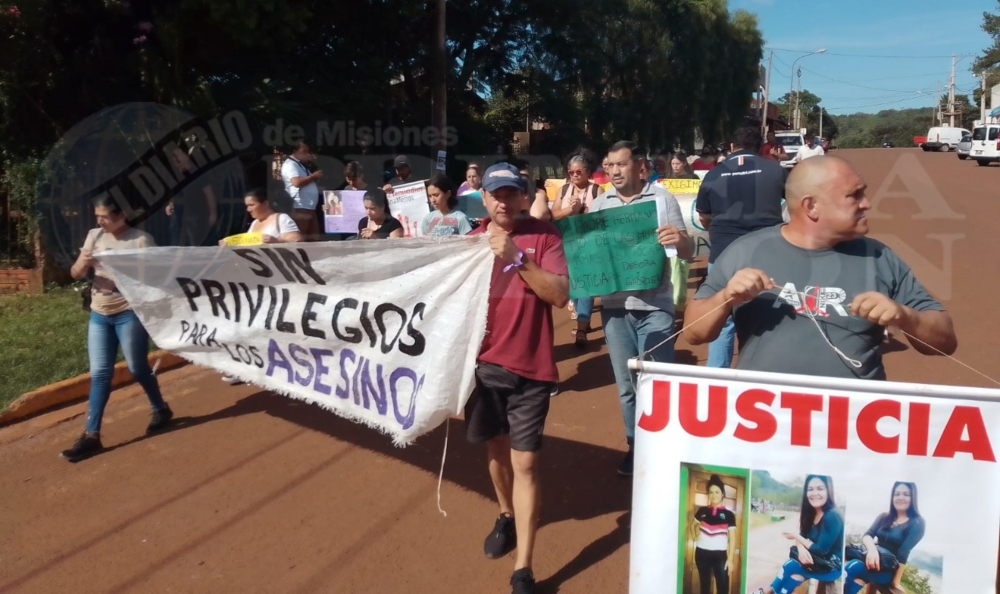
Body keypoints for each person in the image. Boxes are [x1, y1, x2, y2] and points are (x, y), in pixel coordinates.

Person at [685, 156, 957, 380]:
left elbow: (945, 343)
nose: (867, 203)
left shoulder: (880, 256)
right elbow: (694, 333)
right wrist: (725, 298)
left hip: (855, 427)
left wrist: (904, 315)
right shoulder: (744, 251)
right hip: (765, 426)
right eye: (855, 195)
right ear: (812, 206)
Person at [465, 162, 569, 594]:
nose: (504, 201)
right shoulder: (468, 244)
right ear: (484, 199)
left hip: (532, 368)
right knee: (495, 449)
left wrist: (515, 257)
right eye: (496, 194)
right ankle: (505, 514)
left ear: (524, 197)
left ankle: (523, 568)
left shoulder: (544, 237)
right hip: (483, 369)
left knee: (525, 461)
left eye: (511, 193)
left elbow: (559, 295)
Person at [589, 140, 694, 475]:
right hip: (614, 308)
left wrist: (678, 240)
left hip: (655, 308)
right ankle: (635, 446)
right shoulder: (600, 204)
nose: (614, 172)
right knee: (626, 385)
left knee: (658, 382)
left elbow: (689, 251)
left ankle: (663, 447)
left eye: (620, 165)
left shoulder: (662, 199)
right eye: (609, 167)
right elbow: (589, 254)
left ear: (638, 166)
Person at [61, 195, 173, 462]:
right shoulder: (94, 236)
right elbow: (75, 273)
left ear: (121, 216)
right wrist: (84, 262)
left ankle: (160, 408)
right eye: (97, 216)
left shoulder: (140, 240)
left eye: (105, 217)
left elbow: (157, 277)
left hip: (129, 313)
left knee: (136, 367)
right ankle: (91, 435)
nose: (99, 221)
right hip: (99, 314)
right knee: (100, 373)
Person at [695, 127, 787, 369]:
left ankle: (716, 381)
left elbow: (703, 216)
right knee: (768, 317)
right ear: (759, 147)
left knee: (721, 318)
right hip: (769, 253)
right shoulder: (776, 170)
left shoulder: (713, 175)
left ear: (731, 147)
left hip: (723, 254)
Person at [752, 475, 844, 594]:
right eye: (810, 489)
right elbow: (803, 535)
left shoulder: (832, 515)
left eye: (820, 488)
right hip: (815, 561)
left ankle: (766, 591)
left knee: (790, 566)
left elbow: (821, 550)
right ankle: (769, 591)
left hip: (830, 567)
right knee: (793, 577)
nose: (814, 493)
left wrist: (796, 536)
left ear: (829, 490)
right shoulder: (811, 513)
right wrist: (800, 549)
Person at [550, 154, 601, 347]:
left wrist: (583, 210)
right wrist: (568, 211)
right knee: (572, 285)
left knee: (585, 285)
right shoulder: (563, 190)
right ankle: (583, 320)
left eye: (578, 172)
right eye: (571, 172)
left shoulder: (597, 190)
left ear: (588, 172)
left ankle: (581, 327)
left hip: (588, 244)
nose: (574, 175)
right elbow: (552, 216)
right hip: (565, 243)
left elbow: (601, 219)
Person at [844, 482, 926, 594]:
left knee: (851, 568)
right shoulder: (884, 517)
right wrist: (872, 550)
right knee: (855, 580)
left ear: (913, 497)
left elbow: (904, 552)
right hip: (870, 560)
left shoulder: (917, 522)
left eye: (906, 494)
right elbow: (868, 535)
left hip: (887, 570)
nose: (900, 497)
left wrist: (895, 582)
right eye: (897, 494)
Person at [688, 475, 737, 594]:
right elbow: (692, 525)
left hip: (720, 555)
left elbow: (732, 537)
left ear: (722, 494)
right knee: (704, 586)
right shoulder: (702, 511)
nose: (714, 495)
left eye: (717, 492)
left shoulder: (729, 514)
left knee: (723, 586)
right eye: (711, 492)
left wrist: (730, 559)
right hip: (701, 553)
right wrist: (695, 536)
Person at [280, 141, 323, 241]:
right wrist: (313, 176)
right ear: (295, 151)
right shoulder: (291, 164)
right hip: (300, 206)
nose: (307, 153)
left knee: (314, 238)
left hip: (309, 207)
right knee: (301, 238)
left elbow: (305, 183)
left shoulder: (300, 165)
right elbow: (296, 182)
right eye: (304, 151)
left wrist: (317, 189)